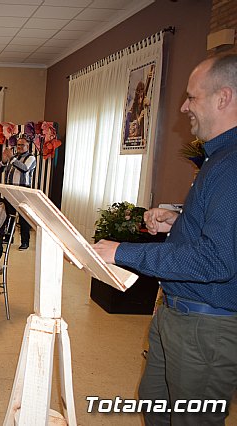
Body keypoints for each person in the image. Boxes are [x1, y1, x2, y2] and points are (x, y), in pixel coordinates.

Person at [93, 54, 237, 425]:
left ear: (223, 98)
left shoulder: (231, 165)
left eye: (192, 97)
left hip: (205, 326)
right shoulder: (218, 160)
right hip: (179, 315)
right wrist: (179, 223)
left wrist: (124, 252)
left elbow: (217, 261)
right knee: (155, 404)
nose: (183, 106)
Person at [0, 137, 36, 250]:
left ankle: (25, 242)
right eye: (18, 145)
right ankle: (9, 237)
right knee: (9, 214)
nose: (19, 147)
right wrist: (4, 161)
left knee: (23, 217)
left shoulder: (31, 157)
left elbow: (24, 168)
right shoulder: (13, 157)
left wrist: (11, 158)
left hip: (22, 189)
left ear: (27, 146)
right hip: (10, 189)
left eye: (22, 145)